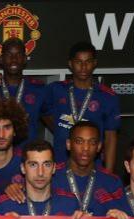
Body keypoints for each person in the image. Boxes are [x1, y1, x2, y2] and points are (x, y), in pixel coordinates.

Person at [43, 41, 120, 172]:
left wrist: (109, 173)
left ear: (94, 63)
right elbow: (42, 111)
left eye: (88, 61)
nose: (83, 67)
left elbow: (111, 137)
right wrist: (60, 129)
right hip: (60, 163)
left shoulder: (108, 96)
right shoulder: (56, 89)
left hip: (93, 166)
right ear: (70, 64)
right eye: (79, 62)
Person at [0, 140, 80, 218]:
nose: (40, 172)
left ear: (54, 168)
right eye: (33, 165)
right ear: (23, 168)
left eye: (47, 165)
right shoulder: (5, 205)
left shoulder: (69, 203)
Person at [0, 38, 48, 148]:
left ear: (24, 59)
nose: (14, 59)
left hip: (28, 156)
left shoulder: (39, 90)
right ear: (1, 59)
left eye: (18, 55)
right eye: (9, 55)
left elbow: (54, 124)